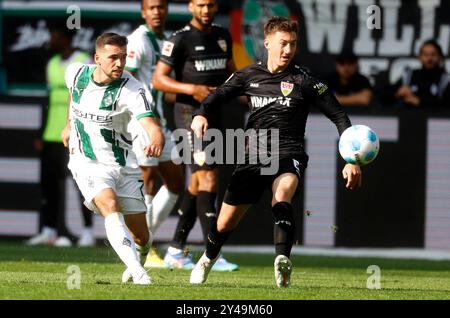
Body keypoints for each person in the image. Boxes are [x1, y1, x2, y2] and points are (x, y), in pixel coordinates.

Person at [189, 17, 362, 287]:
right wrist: (200, 115)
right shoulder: (248, 75)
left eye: (293, 44)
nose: (288, 50)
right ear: (267, 42)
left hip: (288, 152)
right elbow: (215, 97)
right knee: (223, 225)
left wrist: (352, 159)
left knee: (282, 196)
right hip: (253, 157)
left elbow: (339, 116)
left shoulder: (304, 80)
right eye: (283, 43)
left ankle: (282, 262)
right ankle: (207, 259)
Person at [61, 33, 164, 285]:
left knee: (142, 236)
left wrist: (156, 137)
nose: (119, 63)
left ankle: (136, 259)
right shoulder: (75, 73)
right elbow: (73, 95)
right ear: (97, 58)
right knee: (109, 204)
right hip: (87, 161)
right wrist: (68, 124)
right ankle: (141, 275)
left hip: (123, 165)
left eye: (123, 57)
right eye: (113, 58)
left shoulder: (132, 88)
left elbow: (149, 122)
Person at [153, 0, 238, 271]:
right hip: (189, 116)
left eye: (211, 4)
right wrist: (193, 89)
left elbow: (231, 72)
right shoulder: (179, 39)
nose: (206, 10)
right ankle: (213, 253)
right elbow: (158, 80)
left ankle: (176, 249)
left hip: (214, 115)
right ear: (191, 6)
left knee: (197, 182)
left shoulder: (223, 35)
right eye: (200, 4)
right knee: (209, 178)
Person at [125, 0, 184, 269]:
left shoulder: (165, 41)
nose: (156, 12)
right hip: (145, 122)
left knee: (175, 184)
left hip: (161, 122)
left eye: (161, 7)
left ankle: (144, 240)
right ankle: (143, 249)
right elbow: (127, 79)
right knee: (147, 181)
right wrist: (143, 116)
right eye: (151, 7)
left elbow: (158, 84)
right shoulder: (138, 40)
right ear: (143, 12)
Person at [26, 24, 96, 248]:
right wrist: (41, 132)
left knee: (81, 184)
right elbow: (48, 101)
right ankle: (49, 231)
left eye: (54, 35)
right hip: (50, 135)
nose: (50, 40)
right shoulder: (52, 64)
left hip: (75, 133)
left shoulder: (84, 60)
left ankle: (87, 233)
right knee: (49, 184)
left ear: (65, 39)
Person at [393, 40, 450, 108]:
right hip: (408, 116)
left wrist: (419, 101)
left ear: (440, 57)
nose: (429, 58)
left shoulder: (446, 80)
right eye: (426, 55)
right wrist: (397, 94)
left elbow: (447, 103)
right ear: (419, 57)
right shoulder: (410, 76)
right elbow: (383, 96)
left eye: (433, 55)